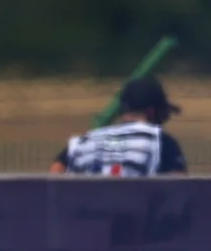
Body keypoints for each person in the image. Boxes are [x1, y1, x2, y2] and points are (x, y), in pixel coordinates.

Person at [59, 75, 188, 176]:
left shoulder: (85, 141)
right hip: (136, 209)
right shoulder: (161, 141)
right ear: (152, 112)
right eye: (164, 114)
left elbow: (56, 171)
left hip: (83, 208)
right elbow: (179, 189)